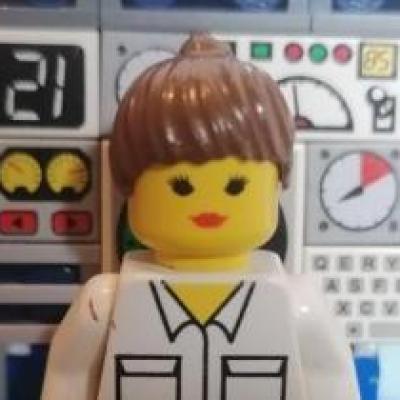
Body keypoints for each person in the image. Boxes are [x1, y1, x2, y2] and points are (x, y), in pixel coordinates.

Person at [41, 33, 359, 400]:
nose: (209, 205)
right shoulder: (103, 305)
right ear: (130, 188)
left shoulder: (298, 305)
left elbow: (329, 379)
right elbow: (68, 376)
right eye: (180, 186)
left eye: (236, 186)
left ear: (276, 186)